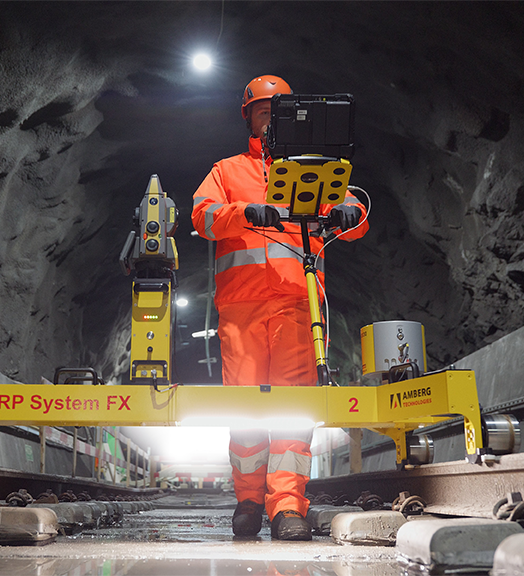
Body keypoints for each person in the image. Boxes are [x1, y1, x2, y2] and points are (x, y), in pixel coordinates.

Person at [191, 75, 369, 540]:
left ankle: (288, 507)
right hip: (242, 310)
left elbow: (353, 218)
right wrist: (243, 213)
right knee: (246, 410)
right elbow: (202, 215)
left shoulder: (314, 169)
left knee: (292, 410)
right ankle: (248, 503)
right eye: (262, 111)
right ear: (248, 116)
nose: (270, 119)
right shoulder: (227, 171)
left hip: (296, 306)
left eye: (278, 111)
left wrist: (351, 212)